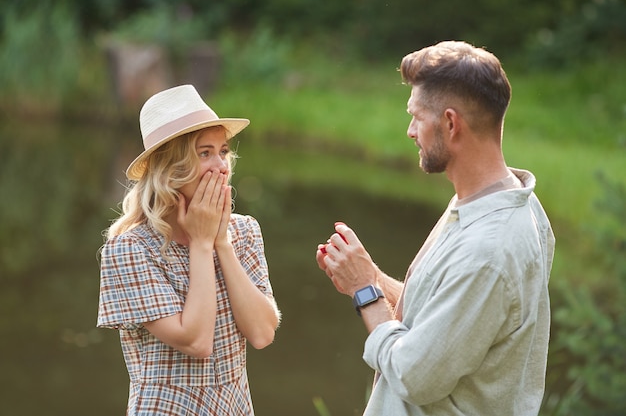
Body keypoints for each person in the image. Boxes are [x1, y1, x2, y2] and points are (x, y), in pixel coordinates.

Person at [316, 41, 555, 416]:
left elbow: (415, 376)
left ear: (450, 122)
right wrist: (372, 276)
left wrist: (366, 293)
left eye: (416, 116)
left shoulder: (487, 251)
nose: (410, 131)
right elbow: (442, 318)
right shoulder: (498, 203)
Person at [97, 84, 281, 415]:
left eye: (223, 151)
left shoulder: (243, 231)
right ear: (170, 167)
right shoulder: (129, 249)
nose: (222, 166)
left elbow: (262, 332)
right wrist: (200, 243)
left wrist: (220, 242)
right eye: (204, 153)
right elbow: (196, 341)